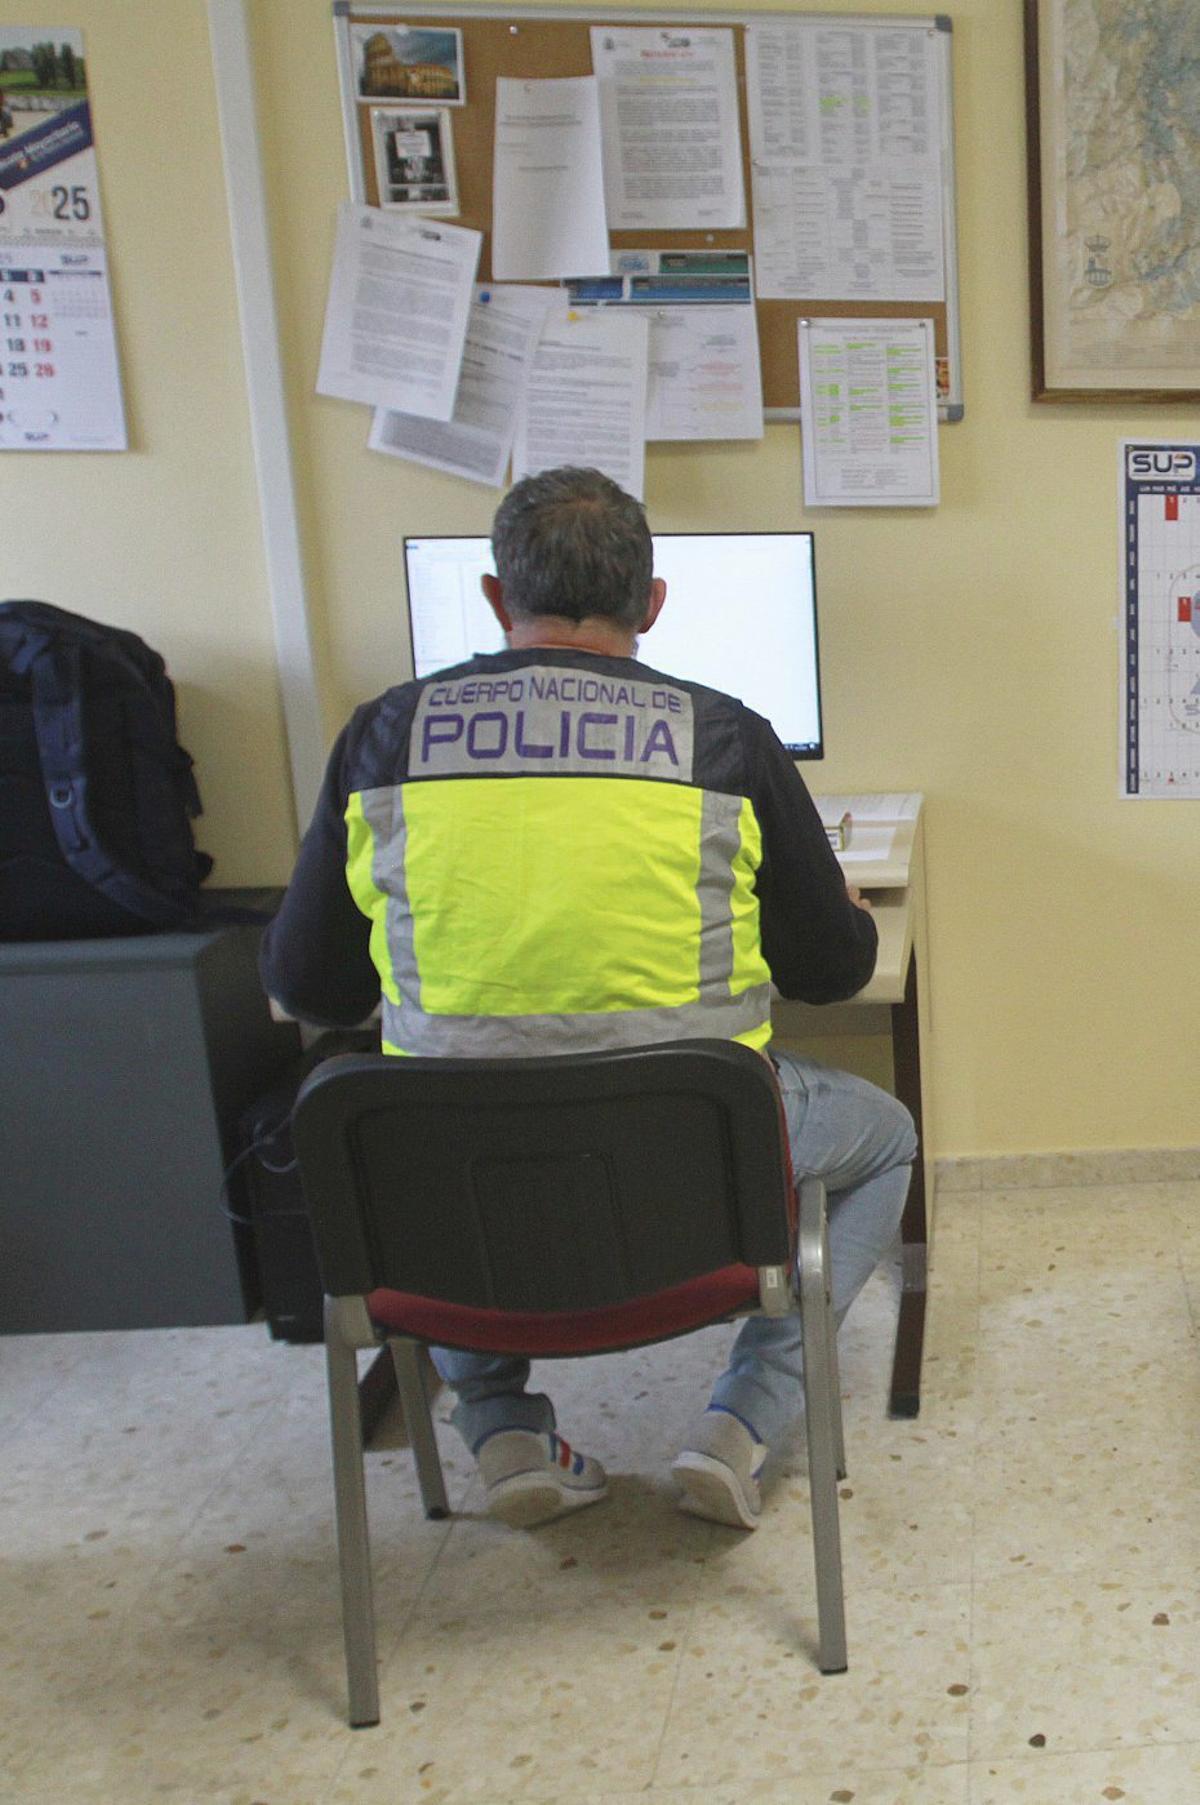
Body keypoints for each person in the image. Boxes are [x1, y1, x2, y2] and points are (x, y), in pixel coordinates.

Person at [260, 466, 915, 1533]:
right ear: (650, 603)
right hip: (691, 1174)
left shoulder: (382, 737)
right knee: (885, 1136)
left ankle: (504, 1431)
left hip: (457, 1173)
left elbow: (305, 985)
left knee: (421, 1132)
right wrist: (831, 904)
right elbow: (831, 973)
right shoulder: (726, 738)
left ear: (494, 597)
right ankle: (739, 1427)